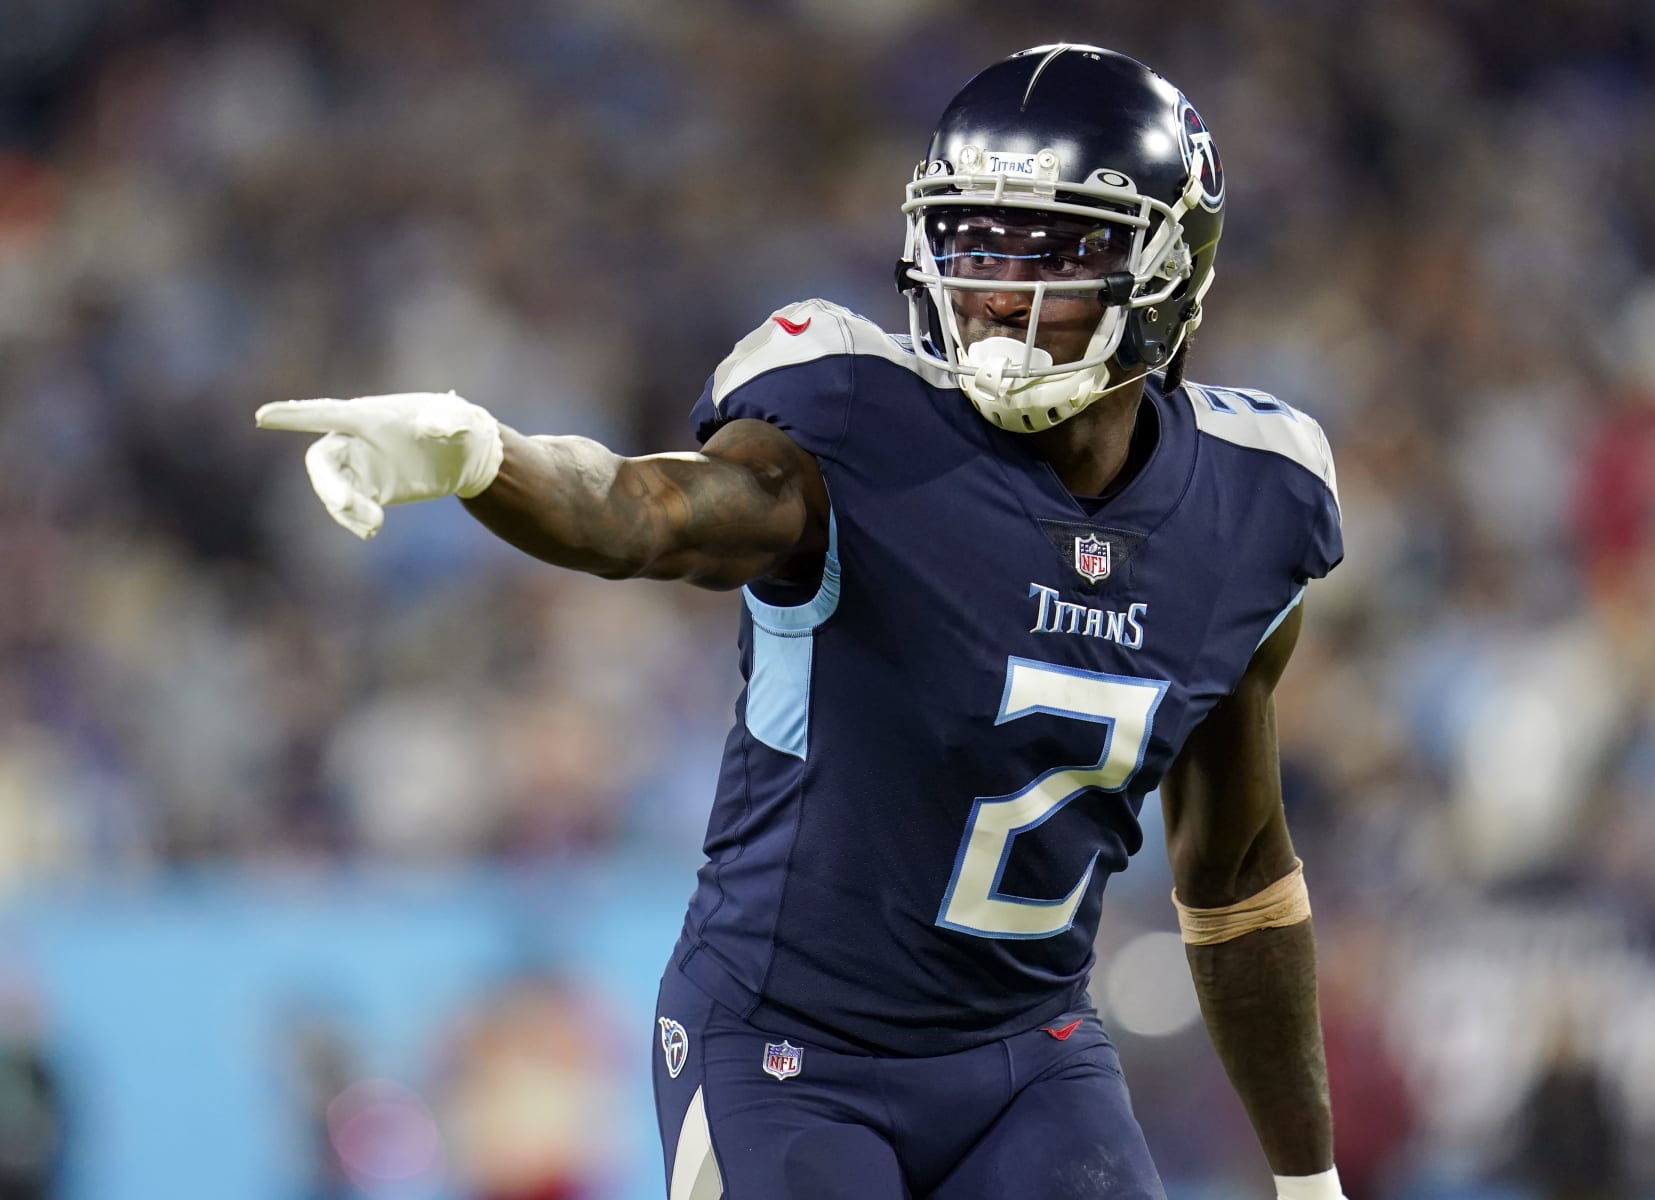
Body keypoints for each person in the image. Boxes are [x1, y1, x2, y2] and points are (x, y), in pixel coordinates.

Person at [258, 44, 1346, 1200]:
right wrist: (486, 458)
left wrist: (1308, 1180)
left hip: (1030, 1057)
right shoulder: (851, 421)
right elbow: (645, 511)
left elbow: (1234, 880)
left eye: (1058, 251)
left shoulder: (1251, 499)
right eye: (976, 244)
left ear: (1173, 271)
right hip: (788, 1051)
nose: (996, 294)